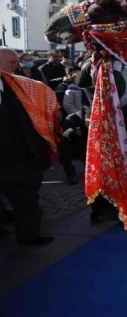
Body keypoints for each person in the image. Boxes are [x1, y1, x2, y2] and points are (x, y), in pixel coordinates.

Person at [0, 47, 58, 245]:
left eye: (17, 62)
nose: (17, 66)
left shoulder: (18, 83)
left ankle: (28, 236)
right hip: (8, 154)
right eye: (12, 63)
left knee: (26, 198)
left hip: (20, 154)